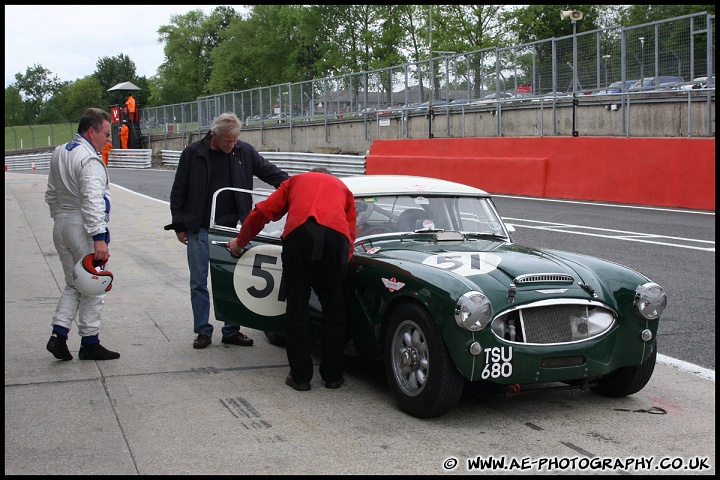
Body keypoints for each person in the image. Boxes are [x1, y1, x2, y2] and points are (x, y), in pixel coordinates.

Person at [165, 112, 289, 350]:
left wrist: (295, 186)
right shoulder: (193, 153)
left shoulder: (244, 151)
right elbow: (178, 189)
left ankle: (232, 330)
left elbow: (270, 172)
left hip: (232, 230)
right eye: (227, 141)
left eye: (235, 141)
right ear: (215, 135)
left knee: (233, 279)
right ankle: (202, 330)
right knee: (198, 282)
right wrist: (179, 224)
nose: (232, 145)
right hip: (200, 228)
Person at [228, 168, 356, 391]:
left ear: (310, 173)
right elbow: (351, 230)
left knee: (297, 306)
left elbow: (263, 211)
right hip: (336, 239)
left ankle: (300, 377)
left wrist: (240, 242)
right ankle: (333, 376)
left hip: (300, 236)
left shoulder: (295, 181)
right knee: (335, 308)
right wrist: (345, 260)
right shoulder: (342, 188)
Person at [44, 107, 120, 361]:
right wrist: (99, 236)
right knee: (93, 285)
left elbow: (51, 194)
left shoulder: (60, 152)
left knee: (73, 283)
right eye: (106, 134)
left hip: (62, 224)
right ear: (91, 131)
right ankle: (90, 342)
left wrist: (61, 218)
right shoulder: (89, 159)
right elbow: (93, 199)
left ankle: (59, 334)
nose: (108, 140)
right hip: (83, 228)